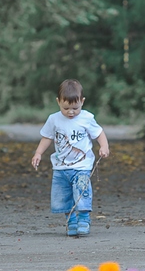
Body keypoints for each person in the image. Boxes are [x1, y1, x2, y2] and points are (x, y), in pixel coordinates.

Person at [31, 79, 110, 236]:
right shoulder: (53, 119)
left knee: (82, 191)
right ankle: (71, 221)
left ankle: (84, 219)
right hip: (61, 167)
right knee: (63, 196)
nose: (71, 112)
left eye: (75, 108)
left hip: (82, 166)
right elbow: (47, 137)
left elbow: (99, 133)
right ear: (58, 102)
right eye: (66, 108)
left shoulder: (87, 118)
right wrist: (38, 153)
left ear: (82, 101)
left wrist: (104, 146)